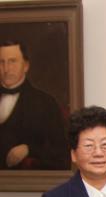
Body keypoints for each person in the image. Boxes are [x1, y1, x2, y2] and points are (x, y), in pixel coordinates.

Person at [0, 39, 69, 170]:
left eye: (12, 61)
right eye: (1, 62)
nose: (6, 69)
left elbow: (61, 153)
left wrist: (29, 149)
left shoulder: (45, 103)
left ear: (25, 65)